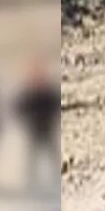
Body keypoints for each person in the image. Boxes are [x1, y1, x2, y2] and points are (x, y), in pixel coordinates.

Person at [10, 59, 61, 193]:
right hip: (33, 131)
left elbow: (57, 106)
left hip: (47, 129)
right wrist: (25, 122)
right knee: (32, 158)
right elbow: (16, 109)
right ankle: (30, 182)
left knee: (51, 155)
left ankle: (56, 179)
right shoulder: (26, 93)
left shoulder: (49, 92)